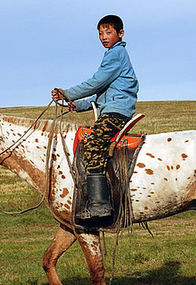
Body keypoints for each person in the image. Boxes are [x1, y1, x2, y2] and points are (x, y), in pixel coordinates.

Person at [52, 14, 139, 222]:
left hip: (117, 111)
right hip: (112, 107)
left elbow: (96, 82)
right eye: (100, 33)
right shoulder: (113, 55)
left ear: (120, 34)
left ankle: (100, 204)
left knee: (93, 143)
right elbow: (100, 96)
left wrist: (68, 93)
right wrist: (75, 105)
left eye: (108, 32)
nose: (103, 36)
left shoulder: (116, 54)